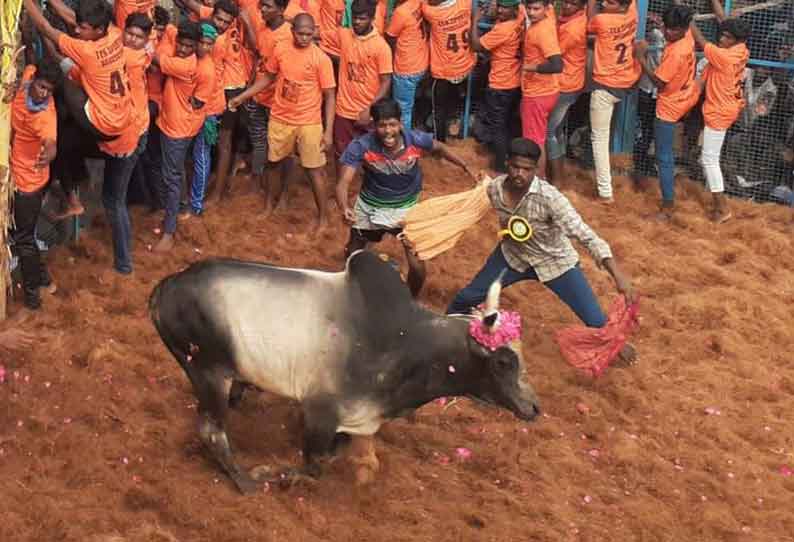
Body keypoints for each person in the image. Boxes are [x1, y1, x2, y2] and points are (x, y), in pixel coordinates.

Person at [446, 138, 636, 362]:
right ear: (507, 163)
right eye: (515, 167)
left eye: (526, 169)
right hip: (512, 256)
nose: (520, 174)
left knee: (596, 321)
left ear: (536, 170)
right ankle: (446, 334)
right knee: (465, 298)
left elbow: (584, 234)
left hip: (554, 262)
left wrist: (617, 274)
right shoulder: (495, 189)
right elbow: (471, 207)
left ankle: (617, 345)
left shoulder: (551, 199)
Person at [336, 98, 476, 297]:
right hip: (369, 207)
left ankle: (410, 301)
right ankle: (348, 291)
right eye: (382, 125)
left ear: (401, 123)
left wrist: (465, 165)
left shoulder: (415, 140)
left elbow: (440, 148)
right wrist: (344, 207)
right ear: (373, 125)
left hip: (406, 210)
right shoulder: (361, 145)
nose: (388, 131)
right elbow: (343, 182)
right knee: (352, 254)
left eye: (392, 124)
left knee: (417, 268)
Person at [23, 0, 134, 217]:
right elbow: (73, 18)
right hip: (120, 118)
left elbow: (47, 28)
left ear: (98, 30)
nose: (76, 30)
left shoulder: (87, 51)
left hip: (103, 124)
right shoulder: (114, 34)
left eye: (83, 29)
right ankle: (72, 188)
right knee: (66, 91)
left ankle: (70, 195)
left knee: (61, 83)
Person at [228, 13, 336, 232]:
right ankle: (269, 206)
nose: (305, 38)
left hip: (309, 121)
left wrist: (328, 132)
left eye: (309, 34)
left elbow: (330, 95)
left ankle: (323, 218)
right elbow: (268, 77)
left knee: (314, 169)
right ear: (292, 30)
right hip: (280, 118)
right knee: (273, 163)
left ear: (314, 32)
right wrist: (243, 96)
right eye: (300, 33)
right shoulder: (281, 50)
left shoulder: (321, 59)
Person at [152, 21, 214, 252]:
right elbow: (170, 30)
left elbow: (158, 59)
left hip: (178, 129)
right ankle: (182, 207)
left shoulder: (190, 66)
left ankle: (169, 231)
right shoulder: (181, 49)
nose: (184, 49)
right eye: (182, 44)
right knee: (175, 171)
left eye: (190, 46)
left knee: (171, 178)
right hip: (173, 123)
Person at [635, 4, 698, 219]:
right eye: (667, 28)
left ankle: (668, 205)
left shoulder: (677, 53)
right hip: (684, 96)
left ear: (683, 28)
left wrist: (641, 57)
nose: (669, 33)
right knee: (665, 154)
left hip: (669, 106)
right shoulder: (687, 35)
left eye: (674, 30)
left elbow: (659, 82)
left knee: (664, 157)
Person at [690, 0, 750, 223]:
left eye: (725, 37)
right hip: (729, 106)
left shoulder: (723, 56)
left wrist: (688, 19)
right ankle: (719, 204)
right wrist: (714, 3)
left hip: (720, 110)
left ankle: (722, 207)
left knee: (709, 160)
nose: (721, 39)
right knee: (708, 156)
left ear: (735, 41)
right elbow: (724, 22)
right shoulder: (741, 49)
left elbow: (701, 41)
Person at [9, 58, 61, 310]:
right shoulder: (27, 77)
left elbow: (50, 142)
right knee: (24, 232)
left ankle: (32, 297)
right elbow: (27, 66)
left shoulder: (45, 118)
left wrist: (50, 152)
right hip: (16, 172)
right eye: (41, 87)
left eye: (49, 91)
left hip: (28, 182)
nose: (43, 94)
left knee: (24, 239)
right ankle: (44, 279)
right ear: (33, 80)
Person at [587, 0, 641, 202]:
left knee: (599, 140)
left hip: (604, 87)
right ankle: (605, 189)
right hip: (625, 82)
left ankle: (605, 193)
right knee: (603, 136)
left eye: (609, 2)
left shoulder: (601, 20)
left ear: (620, 6)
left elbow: (589, 22)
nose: (603, 2)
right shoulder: (632, 14)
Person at [240, 0, 293, 202]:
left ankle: (283, 192)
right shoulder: (263, 27)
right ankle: (257, 181)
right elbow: (258, 56)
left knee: (281, 147)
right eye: (261, 5)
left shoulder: (289, 34)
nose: (261, 9)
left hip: (278, 101)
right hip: (258, 96)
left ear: (280, 10)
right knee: (259, 140)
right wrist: (250, 85)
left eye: (267, 7)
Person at [333, 0, 393, 168]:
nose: (358, 22)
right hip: (343, 111)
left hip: (367, 113)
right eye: (355, 18)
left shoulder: (381, 47)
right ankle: (343, 190)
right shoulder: (344, 35)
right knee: (341, 155)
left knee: (373, 158)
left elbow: (386, 81)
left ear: (372, 18)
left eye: (362, 18)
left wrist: (370, 108)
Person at [470, 0, 523, 173]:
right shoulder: (521, 15)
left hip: (500, 85)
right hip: (515, 82)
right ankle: (510, 160)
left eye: (505, 7)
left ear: (514, 8)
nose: (500, 10)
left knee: (498, 128)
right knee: (508, 125)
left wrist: (474, 20)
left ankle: (500, 167)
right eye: (499, 6)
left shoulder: (503, 29)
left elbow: (476, 45)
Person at [181, 21, 223, 220]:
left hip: (206, 113)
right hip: (192, 115)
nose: (205, 47)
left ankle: (196, 204)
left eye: (209, 44)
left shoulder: (206, 66)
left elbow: (197, 102)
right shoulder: (190, 57)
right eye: (202, 43)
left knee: (201, 158)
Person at [422, 0, 476, 142]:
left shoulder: (431, 12)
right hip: (465, 65)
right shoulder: (466, 3)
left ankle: (439, 143)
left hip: (443, 72)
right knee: (454, 102)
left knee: (438, 110)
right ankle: (453, 124)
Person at [545, 0, 587, 183]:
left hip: (565, 84)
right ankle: (559, 176)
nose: (567, 6)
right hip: (570, 81)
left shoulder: (573, 28)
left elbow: (553, 53)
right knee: (558, 131)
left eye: (573, 3)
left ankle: (556, 180)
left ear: (581, 6)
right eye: (567, 1)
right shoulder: (573, 19)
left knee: (549, 132)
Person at [521, 0, 562, 180]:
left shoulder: (542, 32)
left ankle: (538, 181)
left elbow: (557, 64)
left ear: (546, 8)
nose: (531, 12)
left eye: (536, 9)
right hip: (546, 91)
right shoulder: (548, 18)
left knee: (534, 142)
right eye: (529, 8)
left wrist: (531, 67)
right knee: (540, 137)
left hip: (537, 94)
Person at [385, 0, 429, 130]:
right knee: (412, 105)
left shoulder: (401, 12)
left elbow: (390, 37)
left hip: (406, 68)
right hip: (422, 63)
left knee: (403, 111)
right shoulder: (420, 2)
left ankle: (405, 143)